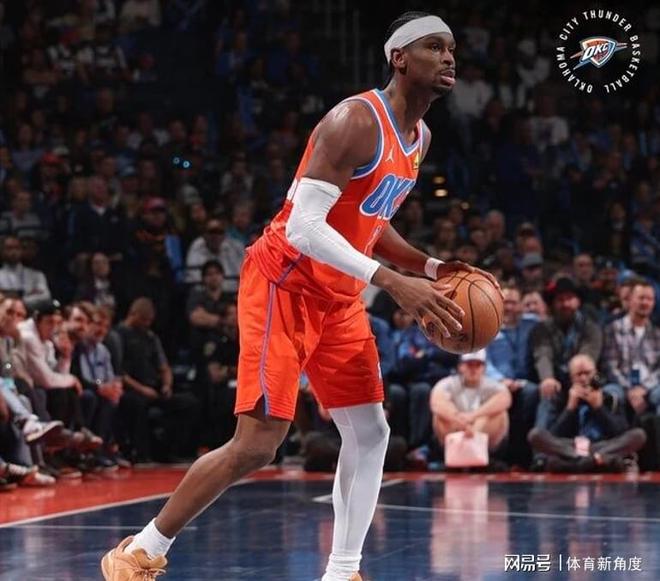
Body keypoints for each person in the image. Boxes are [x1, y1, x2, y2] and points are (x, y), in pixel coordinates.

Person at [102, 12, 497, 581]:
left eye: (452, 48)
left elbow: (370, 219)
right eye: (434, 47)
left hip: (339, 298)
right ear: (399, 58)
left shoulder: (421, 138)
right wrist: (392, 282)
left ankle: (343, 571)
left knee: (371, 432)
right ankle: (141, 549)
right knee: (258, 444)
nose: (449, 57)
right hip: (283, 284)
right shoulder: (353, 120)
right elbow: (304, 227)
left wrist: (431, 266)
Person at [528, 354, 646, 473]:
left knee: (638, 435)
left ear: (596, 373)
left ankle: (581, 462)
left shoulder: (610, 398)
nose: (584, 378)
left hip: (601, 446)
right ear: (571, 378)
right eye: (578, 374)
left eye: (587, 373)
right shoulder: (561, 398)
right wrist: (570, 409)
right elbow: (553, 435)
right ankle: (588, 461)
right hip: (571, 447)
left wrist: (599, 408)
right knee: (535, 435)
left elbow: (620, 432)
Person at [430, 350, 511, 453]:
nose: (473, 369)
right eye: (469, 365)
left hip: (483, 431)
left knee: (500, 414)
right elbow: (436, 402)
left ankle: (484, 450)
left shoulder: (493, 385)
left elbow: (505, 399)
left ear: (484, 368)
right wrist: (459, 419)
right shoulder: (448, 383)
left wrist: (473, 417)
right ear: (460, 367)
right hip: (455, 429)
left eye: (478, 365)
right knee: (440, 416)